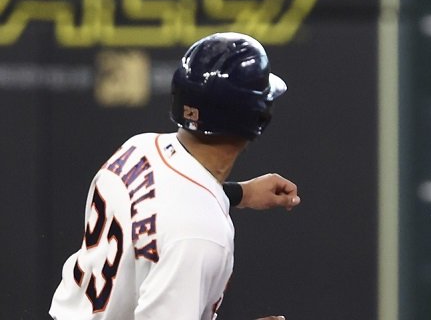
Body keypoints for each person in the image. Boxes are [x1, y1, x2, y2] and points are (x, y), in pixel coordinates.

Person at [49, 32, 300, 320]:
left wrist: (238, 193)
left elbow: (158, 208)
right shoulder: (199, 235)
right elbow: (178, 221)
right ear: (258, 117)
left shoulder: (138, 148)